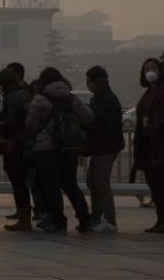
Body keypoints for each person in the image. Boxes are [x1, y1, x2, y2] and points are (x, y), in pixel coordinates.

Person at [25, 67, 94, 234]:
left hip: (46, 149)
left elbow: (30, 125)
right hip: (70, 148)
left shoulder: (40, 100)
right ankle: (85, 219)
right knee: (71, 184)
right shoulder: (71, 98)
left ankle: (58, 221)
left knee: (51, 186)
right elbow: (89, 118)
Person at [133, 53, 164, 233]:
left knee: (161, 183)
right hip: (147, 143)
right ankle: (162, 219)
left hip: (158, 142)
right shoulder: (148, 92)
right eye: (147, 69)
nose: (150, 72)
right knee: (153, 183)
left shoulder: (163, 89)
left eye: (153, 69)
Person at [84, 65, 124, 233]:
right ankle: (97, 215)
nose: (88, 85)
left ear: (97, 82)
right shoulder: (98, 98)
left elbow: (97, 122)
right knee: (92, 181)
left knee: (100, 182)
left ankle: (109, 220)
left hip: (106, 147)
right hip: (99, 146)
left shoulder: (107, 100)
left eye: (89, 81)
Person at [8, 61, 45, 223]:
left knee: (31, 179)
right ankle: (23, 209)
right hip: (24, 141)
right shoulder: (23, 91)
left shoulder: (23, 92)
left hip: (26, 142)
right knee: (24, 179)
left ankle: (38, 210)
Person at [0, 67, 33, 232]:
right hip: (25, 143)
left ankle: (24, 220)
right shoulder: (24, 94)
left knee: (18, 182)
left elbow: (11, 123)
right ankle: (25, 217)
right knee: (22, 182)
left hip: (15, 145)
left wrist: (1, 127)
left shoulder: (11, 98)